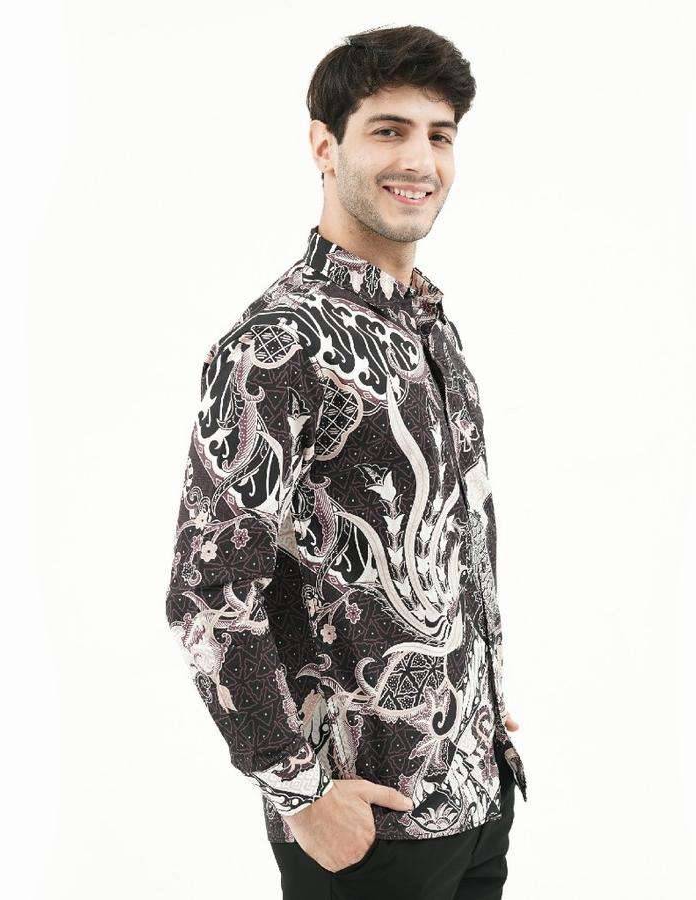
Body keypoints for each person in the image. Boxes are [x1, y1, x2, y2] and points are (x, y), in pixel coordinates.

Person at [164, 24, 527, 899]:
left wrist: (476, 699)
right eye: (388, 130)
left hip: (475, 795)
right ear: (325, 146)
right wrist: (300, 792)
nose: (420, 161)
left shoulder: (428, 324)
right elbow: (210, 594)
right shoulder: (282, 343)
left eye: (440, 135)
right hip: (365, 826)